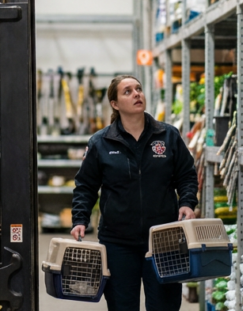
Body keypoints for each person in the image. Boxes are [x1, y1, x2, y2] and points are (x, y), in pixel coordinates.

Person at [70, 75, 198, 311]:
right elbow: (86, 186)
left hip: (164, 239)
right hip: (118, 242)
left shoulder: (168, 136)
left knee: (165, 305)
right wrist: (80, 218)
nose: (136, 94)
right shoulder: (101, 142)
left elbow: (187, 175)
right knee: (122, 306)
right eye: (127, 91)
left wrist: (187, 203)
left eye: (138, 89)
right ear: (115, 104)